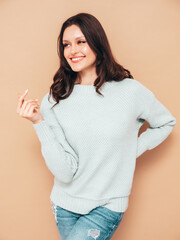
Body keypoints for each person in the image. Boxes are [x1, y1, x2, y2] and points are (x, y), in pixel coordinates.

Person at [16, 12, 176, 240]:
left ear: (97, 42)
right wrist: (38, 122)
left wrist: (130, 151)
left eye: (81, 41)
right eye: (66, 44)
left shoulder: (130, 91)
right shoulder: (54, 99)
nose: (72, 51)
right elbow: (64, 172)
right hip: (65, 204)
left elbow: (166, 122)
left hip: (108, 203)